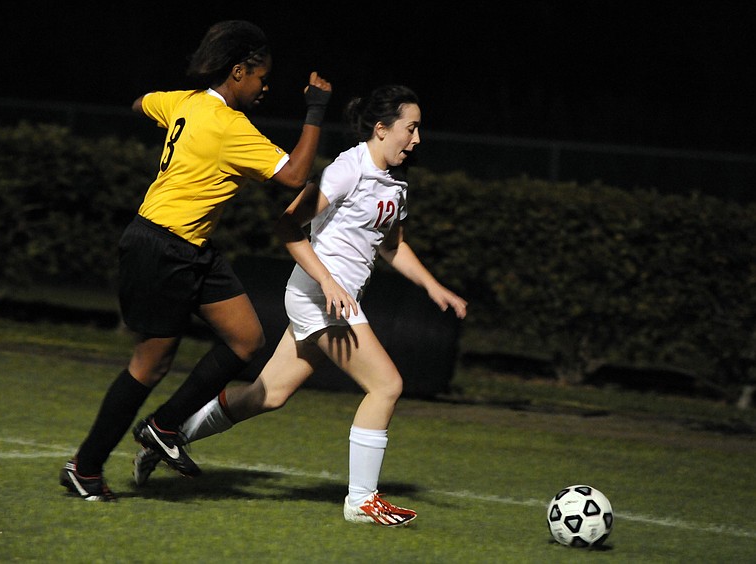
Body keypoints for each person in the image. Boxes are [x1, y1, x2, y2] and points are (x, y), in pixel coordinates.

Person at [133, 84, 468, 526]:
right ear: (382, 129)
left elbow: (391, 246)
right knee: (386, 385)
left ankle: (163, 436)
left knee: (266, 395)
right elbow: (288, 226)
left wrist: (433, 286)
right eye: (412, 128)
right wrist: (328, 282)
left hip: (330, 298)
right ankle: (362, 501)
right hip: (320, 296)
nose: (417, 139)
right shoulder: (348, 169)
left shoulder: (394, 183)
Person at [59, 20, 332, 501]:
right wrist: (315, 109)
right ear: (238, 71)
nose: (265, 86)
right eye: (261, 77)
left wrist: (173, 123)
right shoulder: (230, 126)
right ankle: (86, 467)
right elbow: (294, 175)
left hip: (190, 248)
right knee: (151, 363)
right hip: (161, 245)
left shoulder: (185, 103)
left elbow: (141, 102)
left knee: (247, 340)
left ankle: (164, 427)